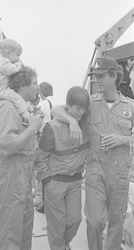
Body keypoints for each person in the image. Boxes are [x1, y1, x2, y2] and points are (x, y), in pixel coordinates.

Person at [51, 56, 134, 250]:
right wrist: (72, 122)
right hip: (95, 171)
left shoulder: (130, 107)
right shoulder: (90, 104)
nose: (96, 80)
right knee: (95, 221)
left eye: (101, 76)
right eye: (95, 76)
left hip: (120, 174)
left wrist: (125, 139)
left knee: (116, 223)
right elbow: (57, 111)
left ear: (114, 76)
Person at [0, 66, 43, 250]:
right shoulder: (7, 108)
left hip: (22, 175)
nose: (38, 87)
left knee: (22, 231)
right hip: (10, 175)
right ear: (22, 86)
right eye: (34, 83)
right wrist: (32, 128)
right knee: (8, 234)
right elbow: (5, 147)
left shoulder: (22, 109)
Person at [35, 86, 90, 250]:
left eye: (83, 109)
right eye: (77, 108)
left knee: (75, 220)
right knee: (56, 224)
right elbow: (40, 158)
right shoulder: (52, 128)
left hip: (74, 182)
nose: (81, 112)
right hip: (54, 183)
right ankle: (59, 247)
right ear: (68, 106)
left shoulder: (85, 124)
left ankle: (64, 244)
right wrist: (47, 181)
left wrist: (75, 121)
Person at [0, 38, 32, 125]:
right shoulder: (3, 62)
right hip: (0, 91)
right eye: (17, 55)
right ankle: (26, 116)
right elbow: (11, 69)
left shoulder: (2, 62)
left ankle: (28, 107)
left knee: (16, 97)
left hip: (0, 90)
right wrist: (19, 65)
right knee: (16, 97)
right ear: (8, 53)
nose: (18, 58)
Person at [34, 82, 61, 212]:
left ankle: (40, 199)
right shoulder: (60, 102)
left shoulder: (42, 104)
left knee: (41, 168)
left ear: (41, 92)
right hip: (58, 139)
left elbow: (36, 122)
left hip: (45, 139)